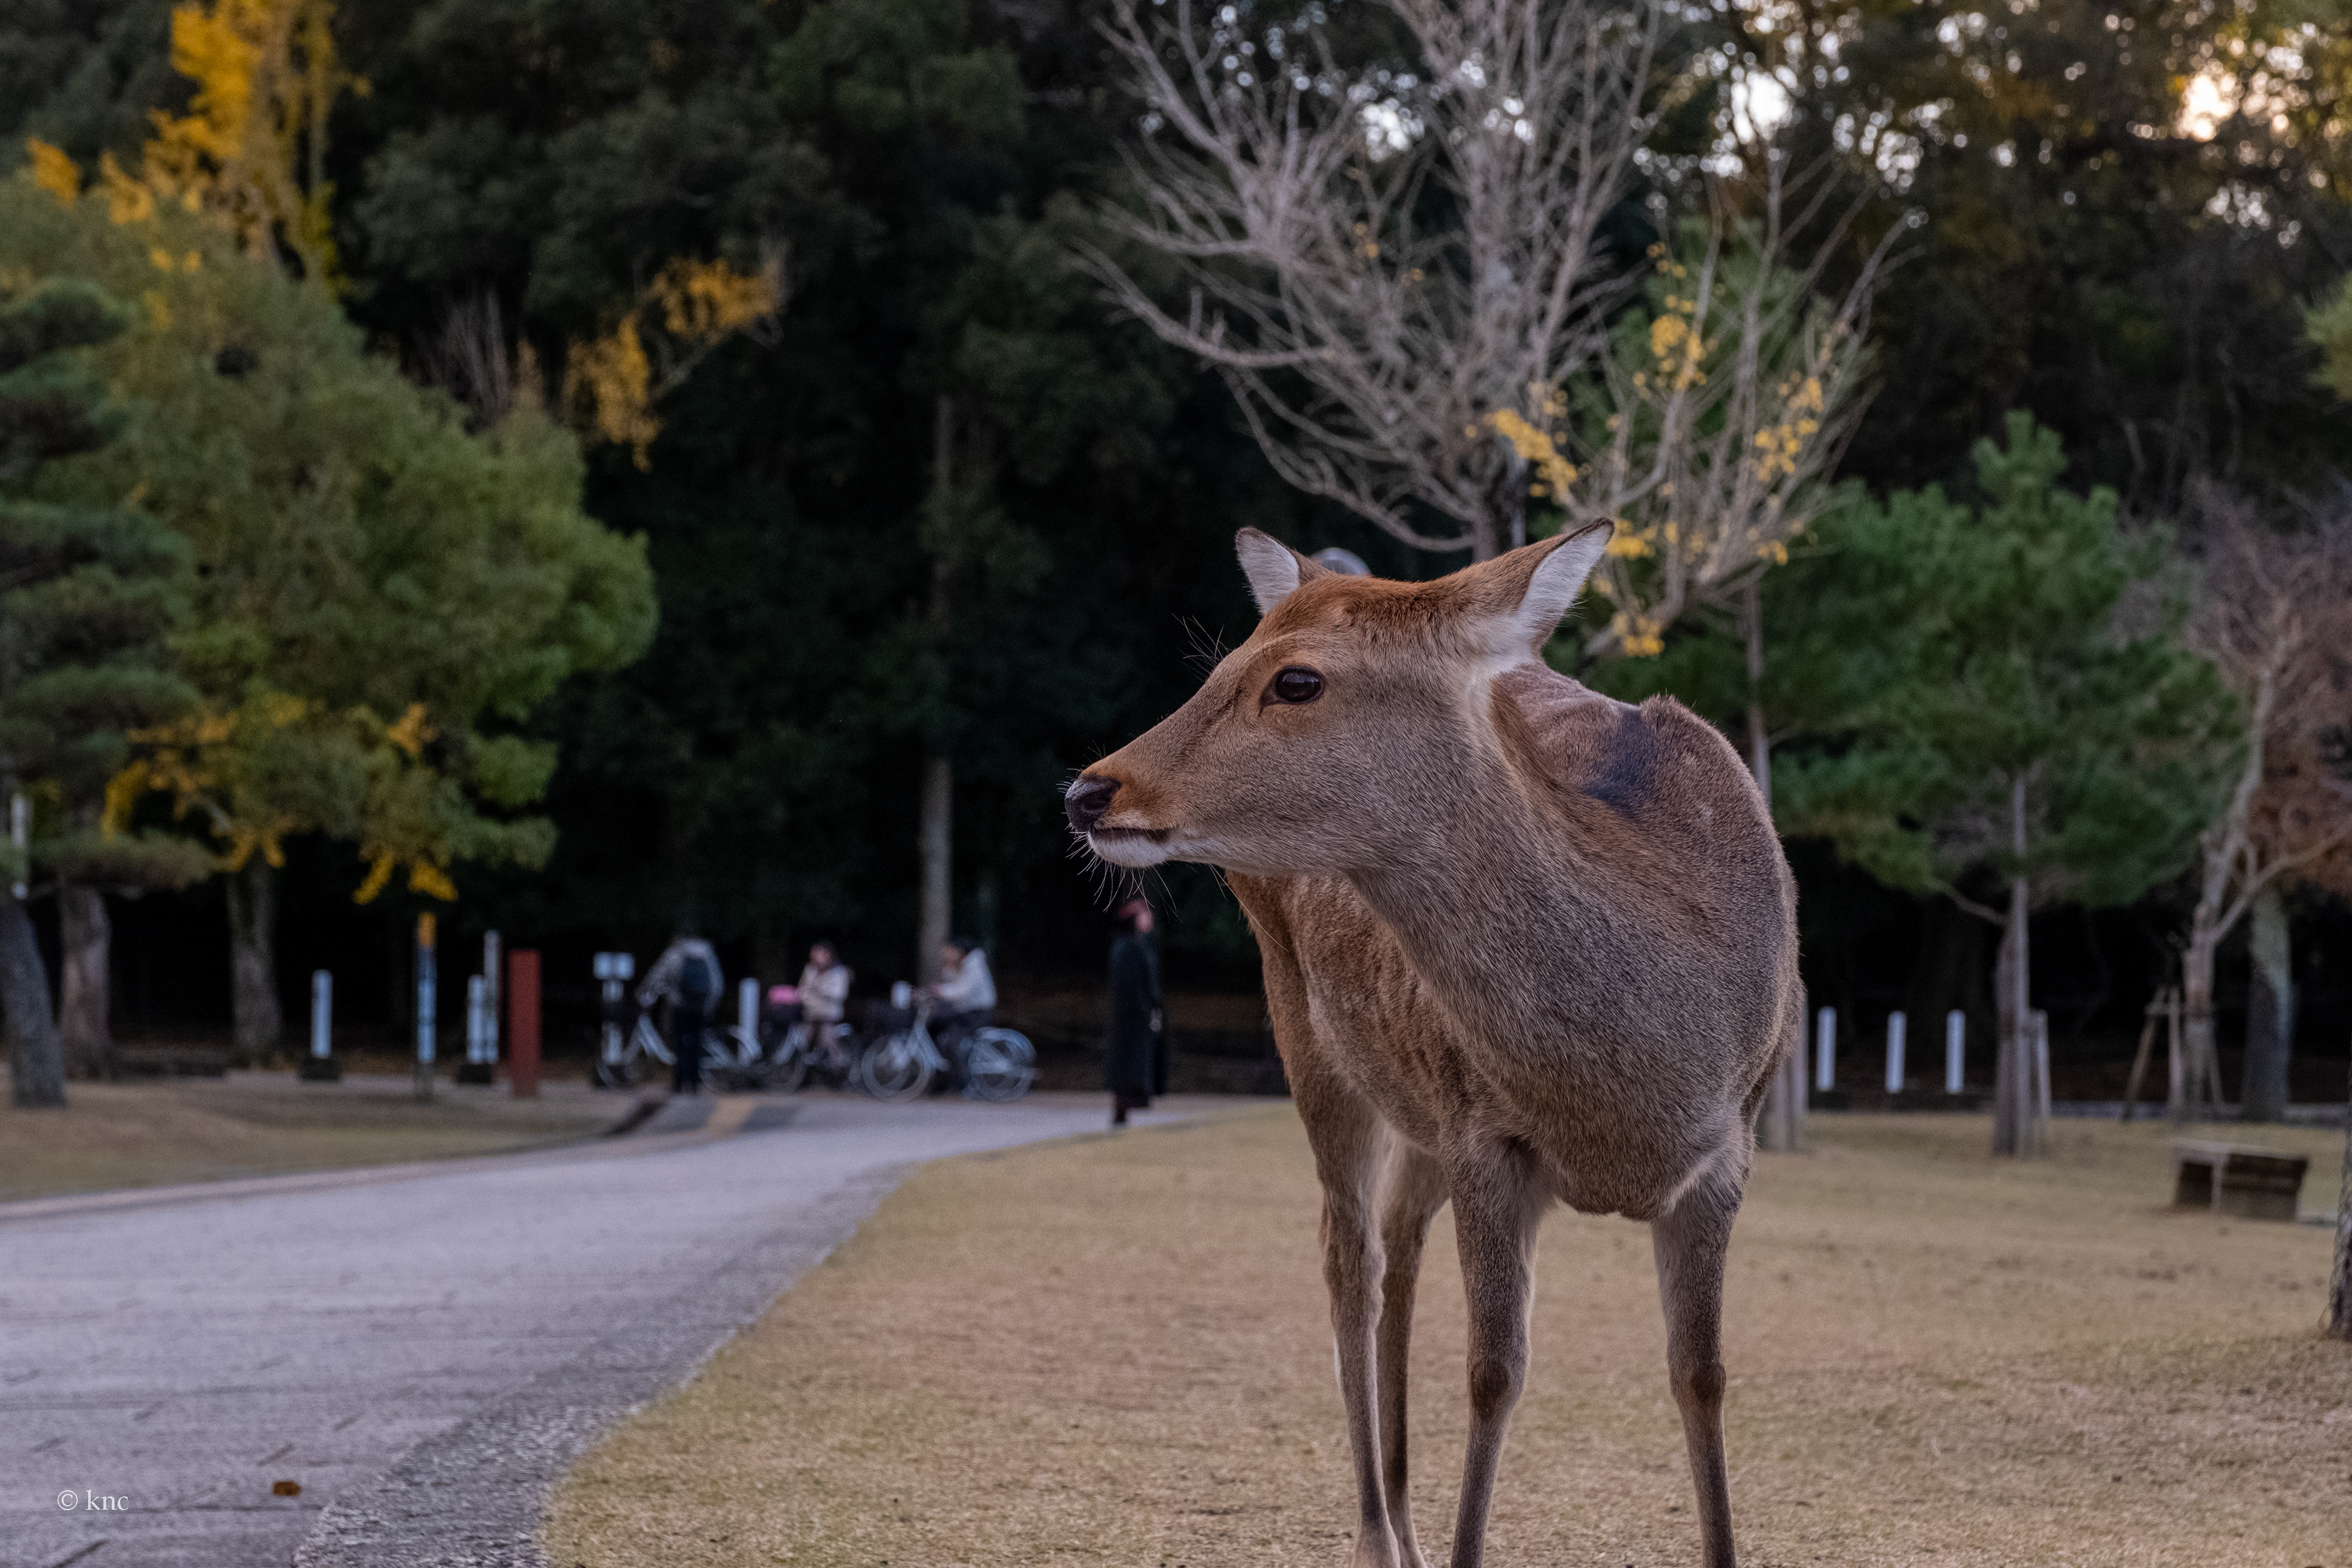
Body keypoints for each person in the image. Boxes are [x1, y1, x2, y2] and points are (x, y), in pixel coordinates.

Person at [639, 927, 722, 1094]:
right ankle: (694, 1084)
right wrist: (710, 1006)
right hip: (700, 1007)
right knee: (697, 1043)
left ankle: (678, 1083)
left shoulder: (675, 953)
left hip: (679, 1005)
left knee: (679, 1042)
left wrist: (645, 988)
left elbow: (658, 975)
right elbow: (717, 985)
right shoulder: (707, 953)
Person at [1106, 897, 1163, 1127]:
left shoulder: (1139, 945)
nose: (1150, 919)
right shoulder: (1127, 948)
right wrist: (1145, 1010)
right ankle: (1122, 1107)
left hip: (1138, 1017)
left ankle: (1128, 1106)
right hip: (1131, 1019)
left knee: (1135, 1063)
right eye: (1146, 915)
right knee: (1128, 1064)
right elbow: (1130, 987)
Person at [926, 937, 997, 1088]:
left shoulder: (974, 964)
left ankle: (961, 1081)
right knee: (934, 1026)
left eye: (950, 952)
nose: (946, 955)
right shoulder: (957, 966)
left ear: (959, 951)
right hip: (965, 1011)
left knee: (954, 1038)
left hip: (978, 1013)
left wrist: (941, 991)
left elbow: (963, 991)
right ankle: (943, 1077)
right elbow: (950, 985)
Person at [797, 941, 853, 1071]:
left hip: (830, 1014)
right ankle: (805, 1071)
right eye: (816, 954)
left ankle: (838, 1069)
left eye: (822, 954)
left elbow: (840, 994)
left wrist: (820, 991)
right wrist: (812, 998)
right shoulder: (810, 970)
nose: (819, 957)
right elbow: (803, 991)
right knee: (803, 1038)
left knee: (827, 1039)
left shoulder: (839, 972)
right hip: (811, 1013)